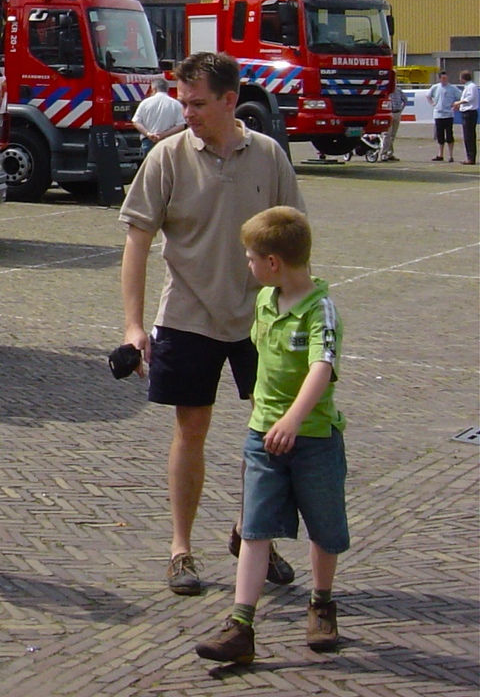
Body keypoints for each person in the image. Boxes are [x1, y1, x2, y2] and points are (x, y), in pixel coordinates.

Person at [119, 51, 303, 596]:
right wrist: (133, 327)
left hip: (260, 319)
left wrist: (301, 311)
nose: (186, 111)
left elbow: (294, 242)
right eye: (183, 101)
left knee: (271, 434)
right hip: (187, 316)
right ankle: (181, 550)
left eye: (198, 103)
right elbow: (137, 242)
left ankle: (254, 537)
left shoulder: (268, 156)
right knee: (190, 429)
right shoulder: (168, 157)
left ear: (229, 100)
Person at [195, 206, 348, 662]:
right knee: (256, 528)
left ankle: (321, 603)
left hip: (314, 439)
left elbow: (322, 366)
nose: (248, 266)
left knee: (324, 528)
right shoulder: (265, 301)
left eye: (250, 258)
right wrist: (265, 416)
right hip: (262, 438)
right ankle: (241, 624)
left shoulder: (321, 310)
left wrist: (295, 418)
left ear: (274, 263)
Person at [133, 77, 186, 144]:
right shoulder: (176, 104)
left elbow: (136, 122)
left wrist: (148, 134)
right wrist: (163, 134)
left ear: (154, 89)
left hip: (148, 141)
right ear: (167, 89)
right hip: (169, 142)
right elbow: (181, 126)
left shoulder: (144, 103)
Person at [428, 71, 459, 162]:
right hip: (438, 114)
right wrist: (432, 103)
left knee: (449, 135)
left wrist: (456, 105)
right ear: (440, 79)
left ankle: (451, 155)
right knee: (439, 135)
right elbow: (428, 96)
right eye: (443, 78)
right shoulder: (435, 87)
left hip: (448, 114)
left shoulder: (452, 88)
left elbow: (460, 97)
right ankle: (440, 154)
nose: (445, 80)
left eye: (446, 78)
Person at [375, 83, 405, 162]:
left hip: (397, 112)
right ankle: (383, 154)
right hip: (389, 113)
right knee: (386, 134)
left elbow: (405, 100)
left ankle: (390, 154)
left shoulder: (398, 90)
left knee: (392, 135)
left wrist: (401, 109)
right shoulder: (386, 91)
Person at [456, 71, 479, 165]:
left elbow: (470, 98)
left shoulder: (471, 87)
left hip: (469, 113)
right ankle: (469, 156)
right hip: (466, 112)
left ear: (463, 78)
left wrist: (459, 103)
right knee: (467, 136)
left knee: (469, 136)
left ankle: (471, 157)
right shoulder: (468, 87)